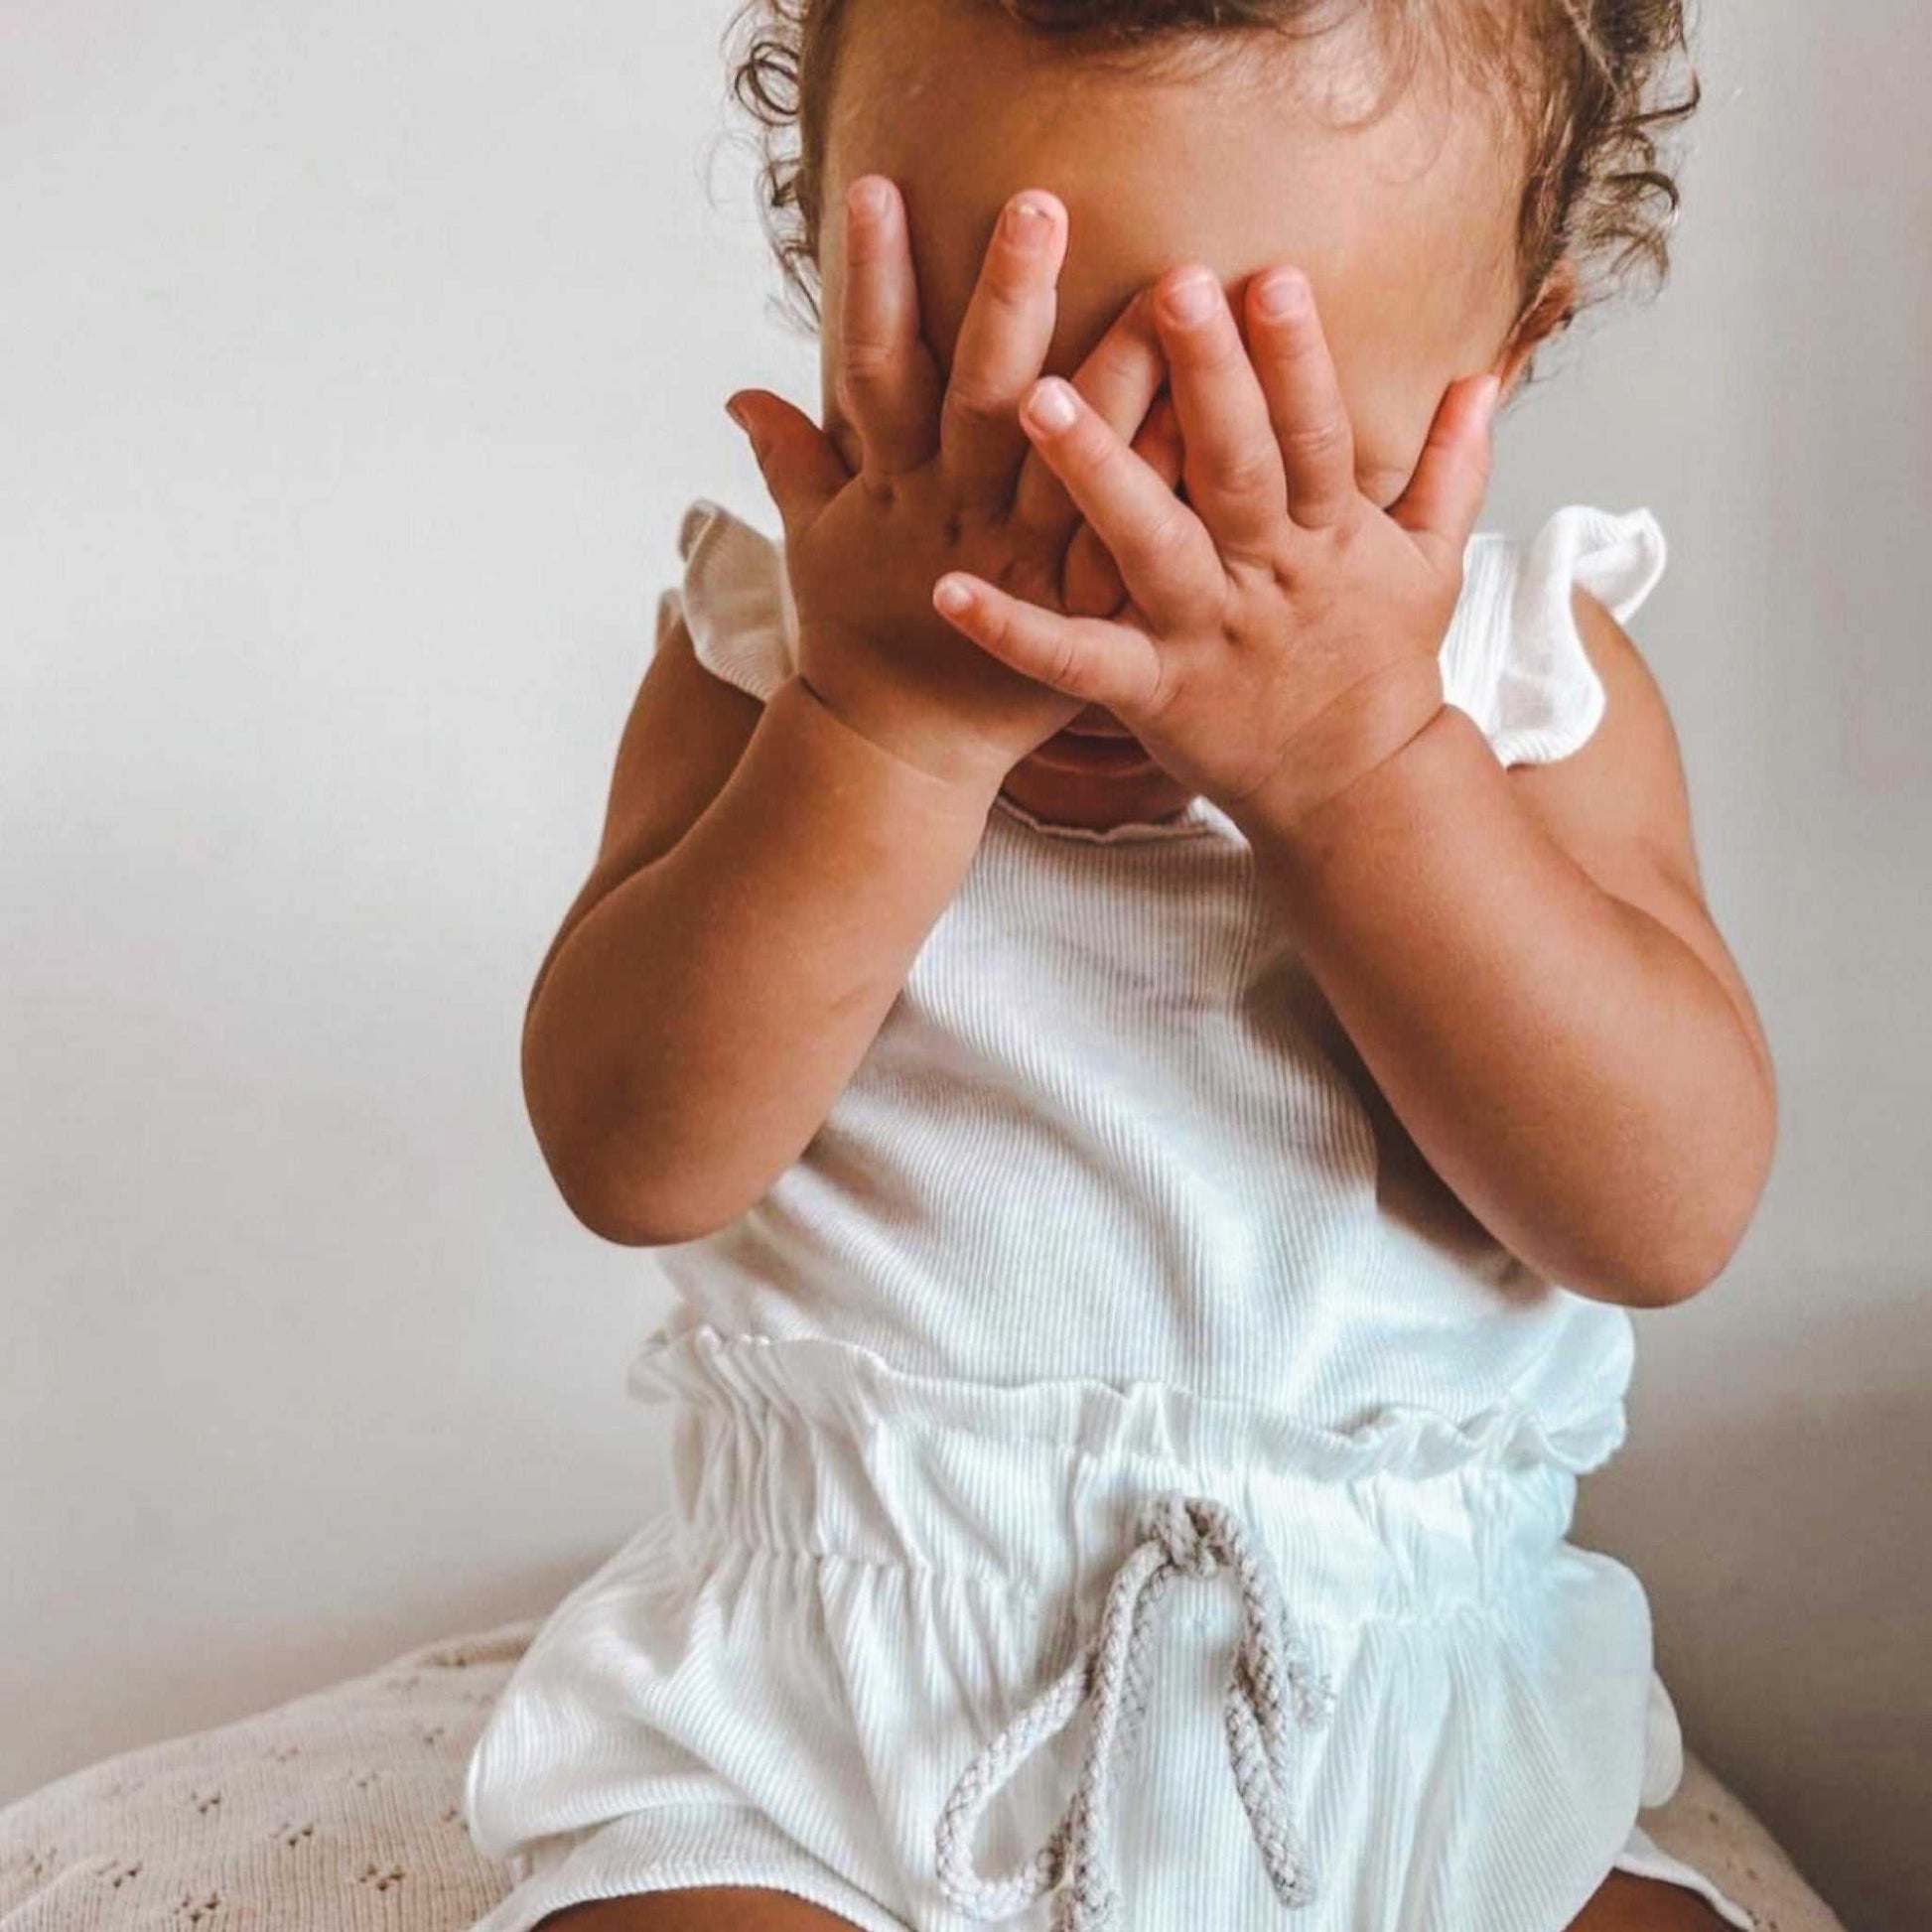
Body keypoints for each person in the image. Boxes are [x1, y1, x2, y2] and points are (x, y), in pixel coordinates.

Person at [462, 2, 1778, 1927]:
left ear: (1509, 358)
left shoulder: (1523, 694)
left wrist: (1360, 774)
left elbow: (1658, 1207)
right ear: (825, 268)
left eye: (1255, 464)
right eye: (987, 417)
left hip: (1408, 1742)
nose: (1102, 559)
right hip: (830, 1730)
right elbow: (628, 1148)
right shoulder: (771, 657)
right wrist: (876, 735)